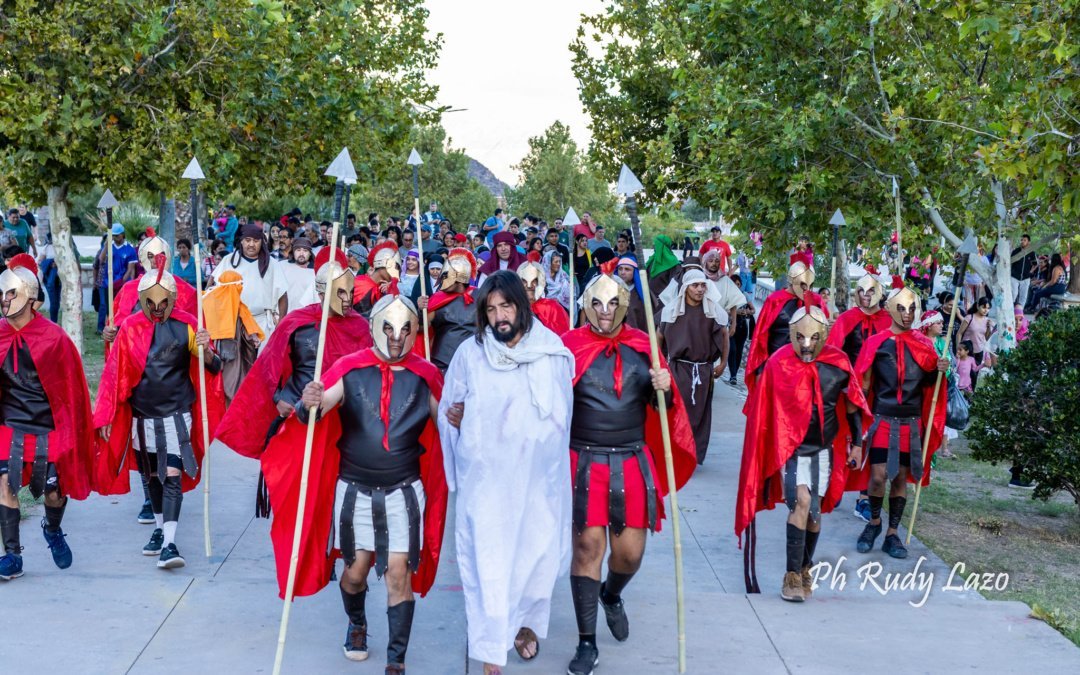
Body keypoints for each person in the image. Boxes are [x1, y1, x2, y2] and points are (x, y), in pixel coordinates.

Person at [560, 262, 696, 675]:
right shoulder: (567, 348)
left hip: (631, 459)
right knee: (588, 549)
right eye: (598, 303)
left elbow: (664, 412)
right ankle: (587, 643)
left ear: (624, 305)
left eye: (613, 303)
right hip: (582, 460)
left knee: (629, 556)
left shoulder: (644, 346)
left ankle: (611, 594)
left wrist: (665, 389)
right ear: (586, 304)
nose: (605, 311)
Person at [438, 271, 574, 674]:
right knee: (490, 566)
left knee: (535, 561)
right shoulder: (470, 354)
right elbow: (449, 408)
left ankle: (525, 625)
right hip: (488, 485)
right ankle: (491, 650)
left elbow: (562, 420)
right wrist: (457, 421)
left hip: (536, 485)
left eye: (506, 306)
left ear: (522, 306)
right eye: (491, 309)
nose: (499, 316)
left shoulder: (551, 353)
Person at [93, 267, 225, 569]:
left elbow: (214, 366)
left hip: (177, 414)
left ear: (172, 299)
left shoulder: (188, 325)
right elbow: (115, 374)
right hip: (142, 417)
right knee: (151, 476)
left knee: (172, 474)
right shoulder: (130, 327)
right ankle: (159, 528)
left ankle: (170, 544)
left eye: (163, 302)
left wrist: (205, 350)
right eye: (150, 302)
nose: (157, 308)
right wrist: (107, 414)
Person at [736, 305, 870, 600]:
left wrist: (858, 444)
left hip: (823, 448)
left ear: (823, 335)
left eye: (813, 338)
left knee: (815, 512)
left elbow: (852, 405)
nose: (807, 344)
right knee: (802, 502)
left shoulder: (838, 363)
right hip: (791, 449)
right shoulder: (779, 363)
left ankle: (805, 567)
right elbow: (762, 409)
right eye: (800, 337)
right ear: (792, 335)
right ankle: (791, 575)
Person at [214, 247, 370, 474]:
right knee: (293, 478)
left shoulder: (360, 328)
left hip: (342, 416)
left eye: (350, 292)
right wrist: (278, 398)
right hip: (297, 410)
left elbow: (368, 374)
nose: (347, 299)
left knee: (330, 478)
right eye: (340, 293)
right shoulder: (297, 323)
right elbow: (269, 368)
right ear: (322, 292)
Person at [0, 255, 94, 580]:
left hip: (47, 426)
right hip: (8, 424)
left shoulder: (54, 338)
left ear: (29, 295)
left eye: (11, 293)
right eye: (2, 293)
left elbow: (71, 390)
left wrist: (75, 428)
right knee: (6, 483)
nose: (5, 300)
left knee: (54, 491)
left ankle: (52, 529)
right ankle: (12, 556)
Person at [848, 286, 948, 560]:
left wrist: (939, 371)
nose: (907, 314)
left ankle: (892, 533)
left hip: (911, 423)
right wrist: (856, 432)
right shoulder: (876, 343)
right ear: (891, 309)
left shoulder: (924, 344)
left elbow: (930, 386)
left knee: (902, 477)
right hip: (882, 419)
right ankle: (874, 523)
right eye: (902, 308)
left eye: (912, 309)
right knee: (878, 477)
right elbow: (861, 388)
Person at [825, 270, 890, 522]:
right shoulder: (847, 318)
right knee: (845, 438)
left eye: (871, 290)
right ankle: (837, 484)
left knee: (872, 443)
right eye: (861, 290)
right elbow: (833, 352)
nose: (865, 295)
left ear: (880, 292)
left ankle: (863, 497)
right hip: (849, 391)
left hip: (879, 392)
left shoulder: (889, 320)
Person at [658, 269, 729, 464]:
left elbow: (724, 335)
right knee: (678, 413)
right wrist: (660, 363)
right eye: (695, 285)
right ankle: (677, 452)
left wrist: (723, 363)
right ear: (685, 288)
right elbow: (659, 336)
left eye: (703, 285)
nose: (700, 289)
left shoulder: (713, 311)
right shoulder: (672, 310)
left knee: (700, 415)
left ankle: (692, 454)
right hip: (679, 369)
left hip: (704, 371)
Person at [744, 261, 823, 389]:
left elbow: (823, 335)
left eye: (810, 285)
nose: (807, 289)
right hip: (776, 364)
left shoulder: (816, 301)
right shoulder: (775, 300)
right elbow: (761, 337)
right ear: (793, 280)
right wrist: (760, 370)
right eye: (803, 284)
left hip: (804, 367)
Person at [212, 223, 288, 343]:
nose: (251, 244)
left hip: (262, 321)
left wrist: (281, 323)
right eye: (248, 240)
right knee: (234, 355)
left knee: (263, 355)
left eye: (256, 241)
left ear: (261, 242)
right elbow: (213, 285)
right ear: (241, 241)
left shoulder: (272, 264)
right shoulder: (228, 260)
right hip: (233, 322)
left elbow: (282, 294)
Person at [201, 271, 265, 404]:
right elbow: (249, 329)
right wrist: (253, 338)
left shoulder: (208, 300)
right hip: (232, 354)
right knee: (232, 381)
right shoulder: (236, 305)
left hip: (213, 350)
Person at [420, 248, 477, 372]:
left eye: (446, 275)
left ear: (460, 277)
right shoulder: (437, 299)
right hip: (442, 363)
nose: (442, 280)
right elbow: (421, 328)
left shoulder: (480, 295)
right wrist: (421, 310)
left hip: (472, 362)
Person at [97, 224, 139, 333]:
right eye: (113, 236)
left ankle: (120, 330)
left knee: (121, 309)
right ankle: (110, 330)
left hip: (121, 285)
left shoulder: (129, 249)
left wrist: (121, 282)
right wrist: (106, 245)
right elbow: (101, 259)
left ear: (123, 234)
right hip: (108, 283)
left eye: (117, 235)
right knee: (109, 309)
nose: (115, 238)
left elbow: (130, 269)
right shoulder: (109, 246)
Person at [519, 252, 569, 335]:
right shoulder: (513, 307)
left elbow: (562, 337)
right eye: (524, 280)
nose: (529, 285)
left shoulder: (553, 308)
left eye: (534, 280)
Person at [353, 241, 402, 317]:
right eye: (393, 267)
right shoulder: (360, 283)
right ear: (382, 264)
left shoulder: (384, 288)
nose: (395, 273)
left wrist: (390, 292)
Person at [956, 297, 993, 389]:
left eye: (988, 308)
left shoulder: (987, 320)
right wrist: (958, 349)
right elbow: (959, 333)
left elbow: (986, 338)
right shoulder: (969, 318)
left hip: (979, 351)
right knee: (964, 372)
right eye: (984, 307)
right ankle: (962, 390)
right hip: (967, 351)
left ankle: (971, 392)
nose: (986, 310)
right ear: (977, 306)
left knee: (975, 373)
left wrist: (989, 328)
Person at [615, 255, 656, 332]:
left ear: (634, 272)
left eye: (627, 269)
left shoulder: (643, 293)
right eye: (620, 269)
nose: (623, 272)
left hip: (636, 335)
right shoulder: (611, 291)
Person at [727, 275, 755, 385]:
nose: (736, 286)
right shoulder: (727, 296)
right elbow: (723, 309)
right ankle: (732, 374)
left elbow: (753, 310)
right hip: (730, 326)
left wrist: (747, 312)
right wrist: (736, 312)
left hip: (742, 326)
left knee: (739, 351)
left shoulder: (745, 295)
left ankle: (734, 374)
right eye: (734, 284)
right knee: (732, 350)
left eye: (738, 284)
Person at [278, 237, 317, 312]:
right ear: (293, 252)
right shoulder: (282, 266)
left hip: (306, 314)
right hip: (284, 313)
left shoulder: (315, 272)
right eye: (298, 250)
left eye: (305, 250)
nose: (301, 254)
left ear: (310, 253)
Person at [644, 235, 680, 299]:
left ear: (661, 246)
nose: (654, 246)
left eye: (656, 244)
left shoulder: (673, 263)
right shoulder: (652, 260)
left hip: (664, 301)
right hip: (649, 299)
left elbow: (675, 286)